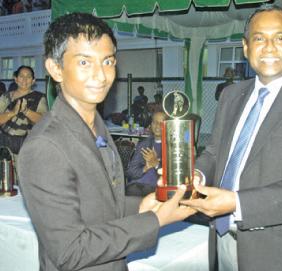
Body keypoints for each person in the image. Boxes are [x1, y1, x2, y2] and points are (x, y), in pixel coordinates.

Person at [18, 12, 196, 271]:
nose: (101, 76)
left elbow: (97, 202)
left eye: (108, 61)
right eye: (84, 63)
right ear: (55, 69)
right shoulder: (45, 146)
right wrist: (154, 221)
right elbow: (70, 251)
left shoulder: (95, 125)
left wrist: (143, 206)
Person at [179, 6, 282, 271]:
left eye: (280, 38)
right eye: (259, 38)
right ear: (246, 48)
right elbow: (214, 152)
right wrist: (196, 174)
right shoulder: (230, 95)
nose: (268, 47)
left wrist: (237, 203)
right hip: (223, 242)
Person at [0, 65, 47, 153]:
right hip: (4, 144)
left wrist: (26, 111)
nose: (24, 80)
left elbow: (43, 121)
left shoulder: (39, 98)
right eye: (21, 76)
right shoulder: (6, 97)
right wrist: (12, 112)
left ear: (33, 81)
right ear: (16, 79)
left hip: (27, 146)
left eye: (28, 77)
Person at [125, 111, 166, 197]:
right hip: (136, 186)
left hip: (156, 188)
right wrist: (145, 168)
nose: (158, 125)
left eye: (161, 123)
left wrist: (156, 164)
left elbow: (172, 176)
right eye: (155, 122)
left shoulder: (172, 147)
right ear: (151, 124)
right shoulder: (144, 144)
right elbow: (130, 172)